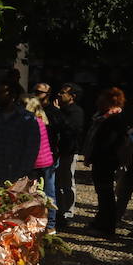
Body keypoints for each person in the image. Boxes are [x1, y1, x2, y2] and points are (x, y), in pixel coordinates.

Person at [85, 88, 129, 234]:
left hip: (106, 161)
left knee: (106, 193)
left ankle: (106, 226)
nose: (98, 101)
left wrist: (97, 155)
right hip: (101, 159)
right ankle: (101, 221)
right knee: (102, 193)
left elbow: (109, 143)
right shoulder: (103, 117)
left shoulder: (115, 119)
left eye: (101, 99)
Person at [0, 86, 40, 186]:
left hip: (15, 175)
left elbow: (32, 149)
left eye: (1, 93)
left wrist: (22, 174)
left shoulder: (27, 119)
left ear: (13, 96)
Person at [49, 83, 86, 230]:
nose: (59, 95)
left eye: (63, 93)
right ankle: (59, 209)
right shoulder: (59, 110)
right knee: (57, 183)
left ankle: (68, 211)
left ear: (72, 96)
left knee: (67, 182)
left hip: (68, 151)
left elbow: (71, 130)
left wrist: (58, 114)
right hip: (57, 151)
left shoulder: (76, 112)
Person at [23, 94, 57, 230]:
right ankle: (51, 224)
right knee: (49, 194)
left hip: (35, 163)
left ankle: (34, 223)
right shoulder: (42, 120)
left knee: (31, 194)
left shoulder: (29, 122)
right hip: (47, 161)